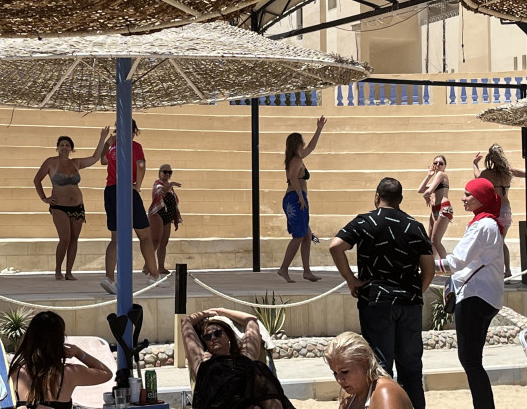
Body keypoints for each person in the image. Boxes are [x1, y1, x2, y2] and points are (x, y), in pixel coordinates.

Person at [329, 177, 434, 409]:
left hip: (376, 301)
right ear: (400, 199)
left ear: (377, 196)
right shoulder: (414, 226)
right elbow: (429, 269)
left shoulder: (365, 221)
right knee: (412, 369)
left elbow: (335, 246)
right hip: (409, 303)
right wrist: (415, 292)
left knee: (379, 368)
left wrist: (351, 280)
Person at [435, 178, 504, 409]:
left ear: (481, 198)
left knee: (470, 360)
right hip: (486, 297)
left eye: (468, 194)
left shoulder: (483, 225)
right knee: (473, 360)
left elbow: (457, 262)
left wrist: (425, 266)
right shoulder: (487, 223)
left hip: (475, 297)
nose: (463, 198)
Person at [34, 127, 110, 280]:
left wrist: (102, 137)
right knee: (65, 238)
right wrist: (44, 198)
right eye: (62, 145)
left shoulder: (76, 163)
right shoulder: (50, 162)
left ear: (71, 149)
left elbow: (95, 157)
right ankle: (58, 270)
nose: (64, 147)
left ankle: (69, 271)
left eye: (67, 145)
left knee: (74, 238)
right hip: (59, 206)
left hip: (77, 206)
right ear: (57, 148)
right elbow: (37, 180)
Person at [181, 307, 295, 409]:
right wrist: (206, 313)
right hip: (221, 403)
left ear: (229, 337)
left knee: (257, 369)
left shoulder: (245, 355)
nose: (213, 338)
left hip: (247, 399)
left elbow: (251, 321)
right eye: (207, 337)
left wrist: (222, 311)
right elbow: (185, 322)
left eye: (218, 333)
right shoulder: (203, 361)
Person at [99, 120, 160, 294]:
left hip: (110, 191)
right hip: (127, 190)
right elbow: (141, 165)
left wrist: (107, 143)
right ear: (133, 131)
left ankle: (109, 278)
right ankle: (154, 275)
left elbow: (103, 160)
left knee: (115, 238)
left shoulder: (113, 147)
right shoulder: (135, 146)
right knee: (145, 235)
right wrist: (138, 187)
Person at [9, 310, 112, 408]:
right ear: (59, 341)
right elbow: (106, 373)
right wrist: (79, 353)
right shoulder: (69, 373)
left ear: (30, 339)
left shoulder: (16, 372)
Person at [278, 116, 326, 282]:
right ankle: (284, 268)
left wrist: (319, 129)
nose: (304, 144)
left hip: (295, 197)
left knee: (306, 234)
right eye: (302, 142)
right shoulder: (296, 160)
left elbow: (311, 147)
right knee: (299, 235)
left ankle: (307, 271)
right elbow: (292, 177)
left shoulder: (297, 158)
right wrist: (300, 196)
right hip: (295, 198)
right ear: (298, 144)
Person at [473, 144, 525, 277]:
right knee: (501, 241)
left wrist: (475, 164)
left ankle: (495, 270)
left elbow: (477, 178)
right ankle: (507, 270)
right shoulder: (509, 172)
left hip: (494, 210)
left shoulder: (487, 173)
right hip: (506, 210)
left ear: (490, 158)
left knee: (493, 242)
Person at [324, 331, 414, 409]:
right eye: (335, 373)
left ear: (364, 364)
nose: (339, 380)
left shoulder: (385, 393)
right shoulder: (349, 396)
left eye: (345, 372)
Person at [147, 164, 182, 275]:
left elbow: (174, 204)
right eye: (165, 172)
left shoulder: (170, 188)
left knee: (164, 242)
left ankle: (161, 267)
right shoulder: (158, 183)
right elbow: (160, 191)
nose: (167, 174)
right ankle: (147, 265)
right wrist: (170, 184)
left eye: (169, 172)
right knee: (155, 240)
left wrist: (176, 219)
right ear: (160, 173)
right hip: (157, 214)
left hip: (168, 216)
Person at [416, 154, 451, 258]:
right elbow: (420, 190)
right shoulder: (436, 178)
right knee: (431, 240)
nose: (438, 165)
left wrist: (426, 196)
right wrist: (429, 176)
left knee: (435, 240)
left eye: (441, 163)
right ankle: (432, 264)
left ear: (444, 166)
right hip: (435, 209)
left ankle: (447, 264)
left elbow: (428, 191)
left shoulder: (441, 174)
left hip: (443, 207)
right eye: (435, 163)